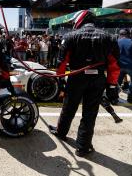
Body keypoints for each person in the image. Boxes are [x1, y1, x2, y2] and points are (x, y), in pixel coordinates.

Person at [49, 10, 120, 157]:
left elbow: (61, 63)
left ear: (79, 20)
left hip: (76, 77)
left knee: (68, 107)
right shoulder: (110, 37)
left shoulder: (70, 36)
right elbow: (115, 65)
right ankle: (83, 147)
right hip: (97, 79)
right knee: (90, 113)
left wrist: (60, 80)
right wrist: (112, 86)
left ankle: (61, 132)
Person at [117, 29, 132, 103]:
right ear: (128, 34)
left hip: (119, 65)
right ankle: (131, 98)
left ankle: (113, 97)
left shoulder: (116, 42)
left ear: (120, 34)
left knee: (117, 82)